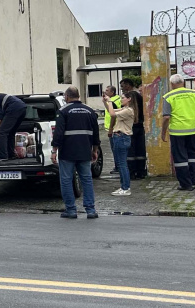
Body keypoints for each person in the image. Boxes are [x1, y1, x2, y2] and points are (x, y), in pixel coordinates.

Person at [51, 86, 100, 219]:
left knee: (66, 180)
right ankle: (91, 210)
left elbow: (58, 133)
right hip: (85, 151)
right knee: (87, 179)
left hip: (67, 152)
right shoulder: (90, 111)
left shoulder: (63, 111)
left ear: (66, 97)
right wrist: (95, 150)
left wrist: (54, 151)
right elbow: (96, 133)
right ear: (78, 96)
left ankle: (71, 210)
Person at [160, 74, 195, 191]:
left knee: (180, 158)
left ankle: (185, 184)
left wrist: (163, 133)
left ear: (172, 84)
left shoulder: (168, 96)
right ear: (183, 82)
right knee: (192, 155)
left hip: (177, 132)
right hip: (193, 130)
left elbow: (166, 117)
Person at [104, 90, 136, 196]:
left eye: (123, 98)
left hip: (122, 137)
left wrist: (109, 101)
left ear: (129, 99)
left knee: (122, 164)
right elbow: (110, 111)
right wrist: (106, 102)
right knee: (120, 163)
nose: (121, 99)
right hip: (119, 137)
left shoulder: (129, 110)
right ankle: (123, 186)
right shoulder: (125, 109)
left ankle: (126, 187)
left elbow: (113, 114)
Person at [121, 78, 148, 179]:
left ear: (128, 85)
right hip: (140, 126)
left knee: (130, 151)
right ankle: (141, 172)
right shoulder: (139, 96)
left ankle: (132, 172)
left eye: (123, 86)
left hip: (130, 127)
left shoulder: (128, 97)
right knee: (140, 150)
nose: (122, 88)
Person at [103, 86, 122, 175]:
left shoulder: (114, 100)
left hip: (115, 128)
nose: (105, 92)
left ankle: (118, 166)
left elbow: (113, 113)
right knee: (115, 148)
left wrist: (111, 128)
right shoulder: (111, 100)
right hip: (112, 127)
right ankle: (117, 166)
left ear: (112, 92)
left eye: (107, 90)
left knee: (116, 149)